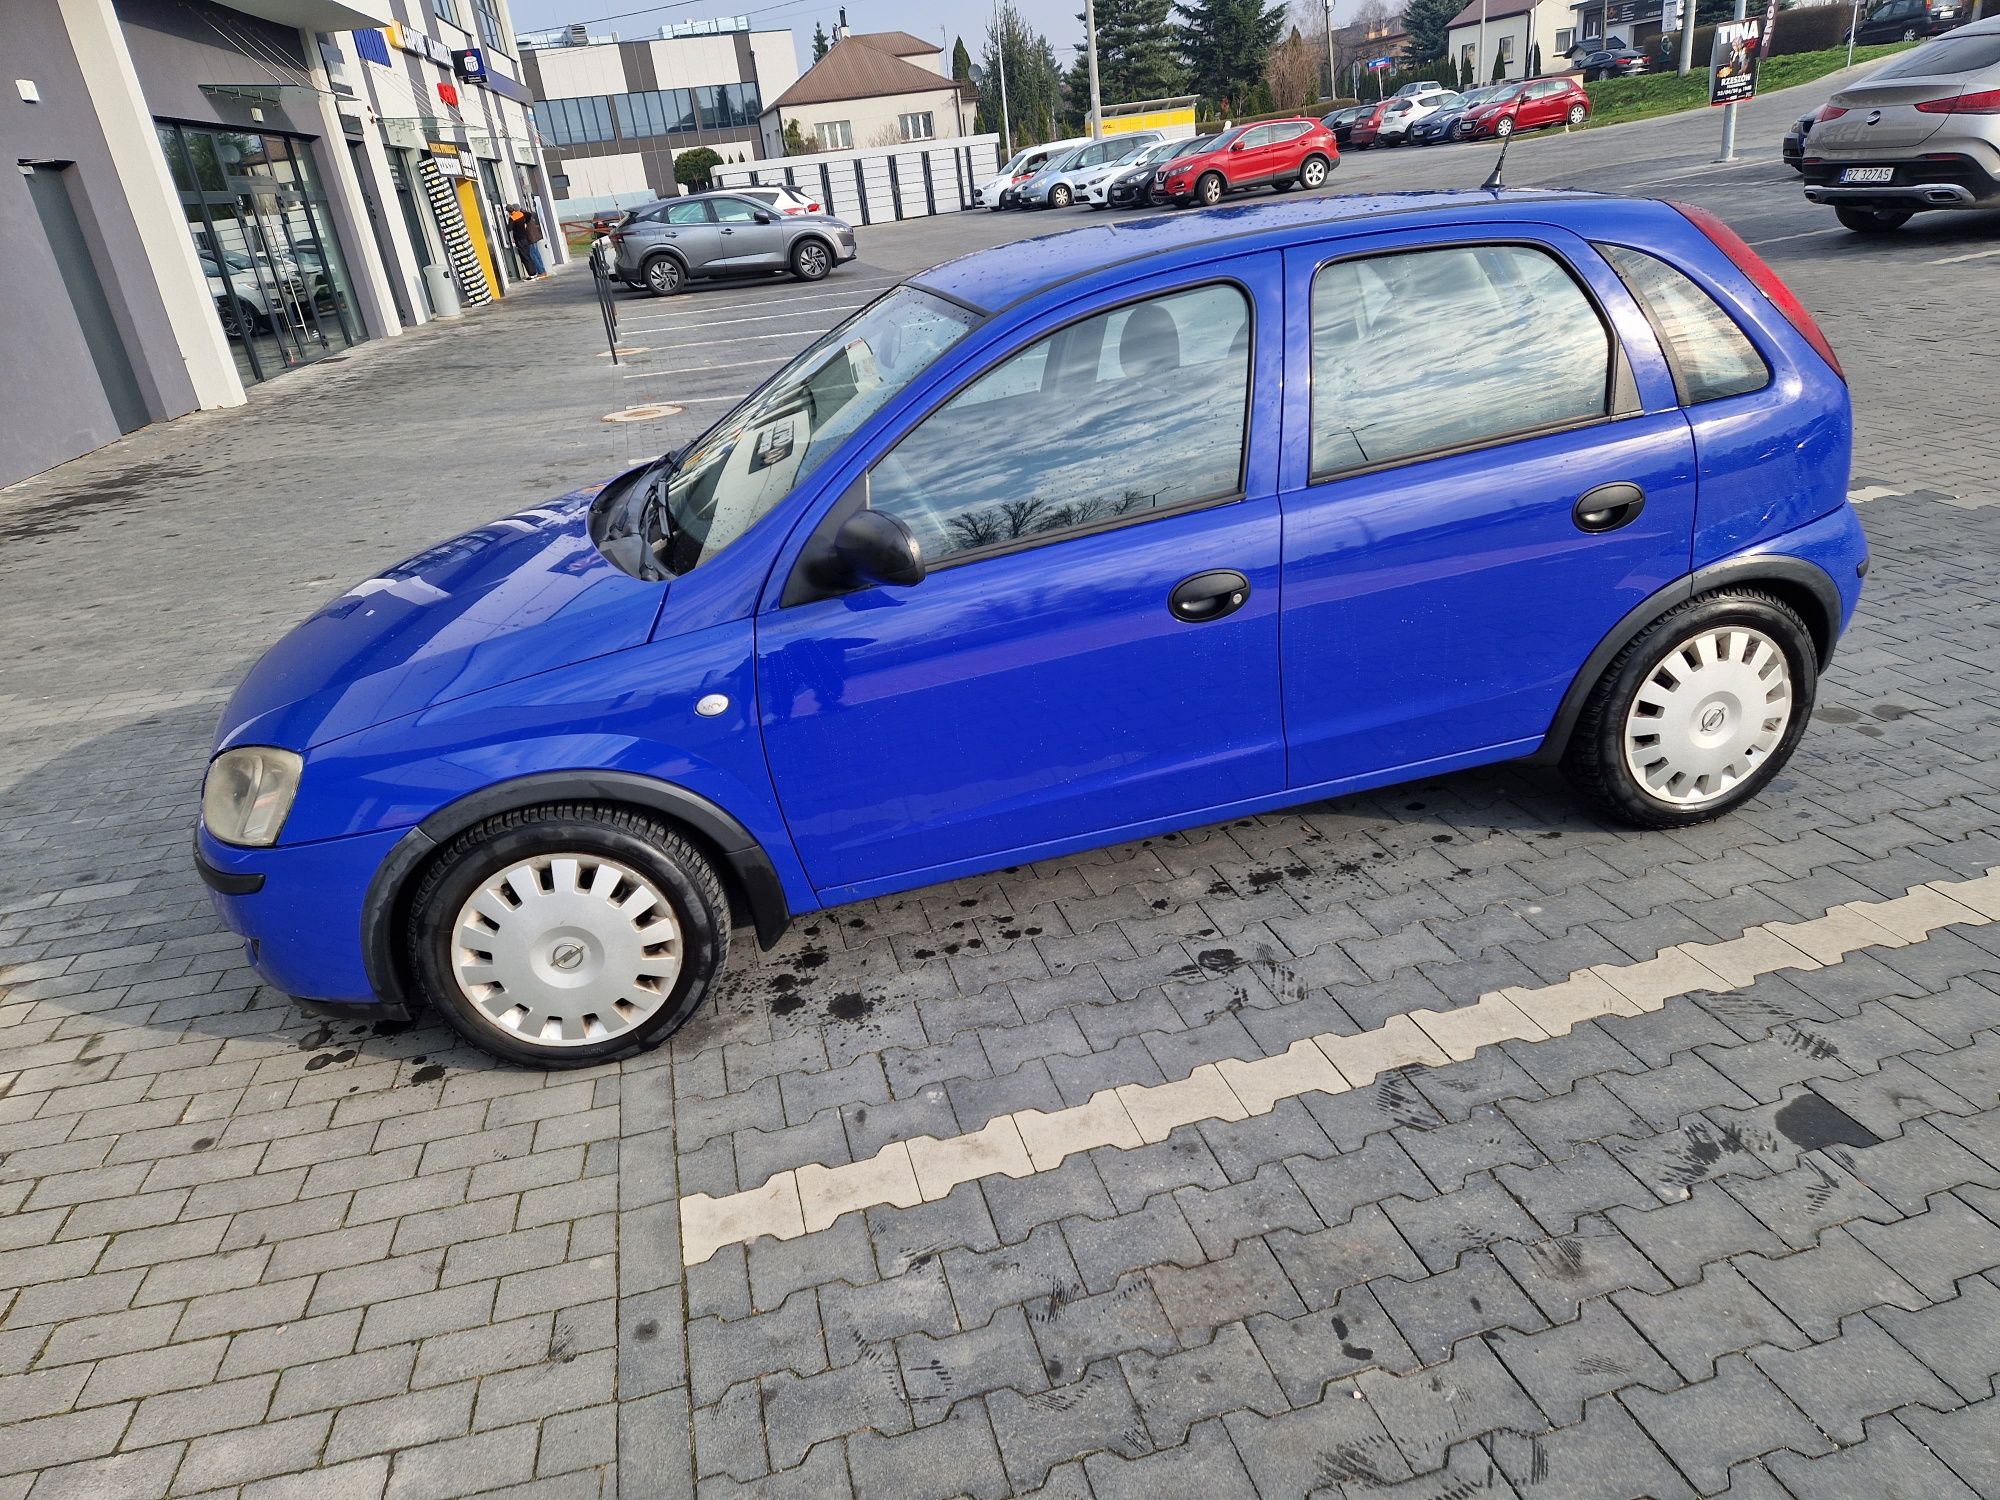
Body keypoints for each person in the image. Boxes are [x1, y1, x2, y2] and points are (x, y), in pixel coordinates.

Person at [506, 204, 546, 279]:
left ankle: (538, 272)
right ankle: (542, 271)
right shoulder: (523, 214)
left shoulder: (513, 217)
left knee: (530, 255)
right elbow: (529, 215)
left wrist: (507, 225)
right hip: (528, 238)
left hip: (527, 238)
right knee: (536, 254)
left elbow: (509, 229)